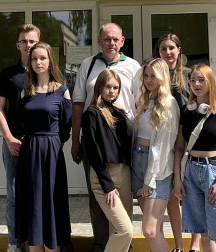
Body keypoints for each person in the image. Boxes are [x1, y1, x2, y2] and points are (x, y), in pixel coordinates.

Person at [72, 23, 142, 252]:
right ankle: (101, 244)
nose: (111, 43)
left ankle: (123, 247)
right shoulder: (88, 64)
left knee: (123, 207)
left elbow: (141, 104)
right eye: (106, 38)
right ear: (99, 40)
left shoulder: (133, 66)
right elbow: (78, 103)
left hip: (123, 146)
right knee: (99, 199)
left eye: (115, 39)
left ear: (122, 41)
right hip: (96, 143)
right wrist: (75, 140)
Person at [173, 64, 216, 252]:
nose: (196, 84)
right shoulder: (186, 111)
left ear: (210, 82)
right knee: (204, 234)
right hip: (192, 173)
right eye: (193, 80)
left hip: (215, 171)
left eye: (201, 80)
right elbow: (179, 147)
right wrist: (178, 179)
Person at [15, 42, 72, 252]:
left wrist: (50, 143)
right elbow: (20, 124)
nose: (38, 62)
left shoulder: (62, 92)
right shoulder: (25, 92)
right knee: (33, 204)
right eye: (34, 58)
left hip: (51, 155)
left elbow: (66, 129)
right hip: (29, 154)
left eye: (42, 58)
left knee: (51, 202)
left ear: (50, 61)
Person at [0, 23, 40, 252]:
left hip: (39, 143)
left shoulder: (46, 73)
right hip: (14, 143)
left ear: (38, 43)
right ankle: (14, 243)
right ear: (17, 45)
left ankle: (36, 239)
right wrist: (9, 138)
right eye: (24, 41)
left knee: (37, 193)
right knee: (14, 195)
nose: (28, 45)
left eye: (32, 41)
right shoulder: (8, 75)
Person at [155, 34, 201, 252]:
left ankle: (195, 244)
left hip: (189, 140)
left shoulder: (190, 75)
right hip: (166, 141)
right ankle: (179, 245)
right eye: (163, 48)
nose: (168, 52)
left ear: (179, 50)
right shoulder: (157, 76)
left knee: (192, 195)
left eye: (171, 47)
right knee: (173, 197)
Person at [82, 70, 134, 252]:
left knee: (118, 231)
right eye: (108, 87)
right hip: (104, 175)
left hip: (124, 172)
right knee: (125, 230)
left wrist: (124, 113)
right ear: (99, 87)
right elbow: (93, 151)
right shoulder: (91, 113)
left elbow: (129, 137)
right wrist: (107, 185)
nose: (112, 91)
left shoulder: (117, 112)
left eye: (115, 88)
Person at [132, 58, 179, 252]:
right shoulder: (145, 100)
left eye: (153, 76)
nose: (149, 80)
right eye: (146, 75)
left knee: (149, 230)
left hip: (157, 169)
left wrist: (150, 178)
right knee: (155, 228)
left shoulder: (169, 103)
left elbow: (162, 146)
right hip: (138, 161)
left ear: (163, 77)